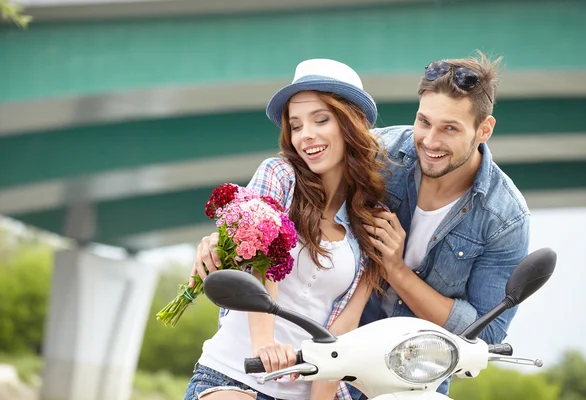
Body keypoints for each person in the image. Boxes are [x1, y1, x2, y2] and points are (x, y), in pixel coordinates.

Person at [194, 51, 531, 399]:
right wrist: (226, 237)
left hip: (403, 374)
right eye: (423, 122)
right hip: (262, 373)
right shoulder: (377, 153)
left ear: (484, 129)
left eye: (449, 128)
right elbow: (256, 245)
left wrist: (395, 269)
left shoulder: (502, 218)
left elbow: (486, 335)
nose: (429, 141)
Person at [183, 59, 391, 400]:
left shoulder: (371, 220)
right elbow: (257, 260)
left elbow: (339, 331)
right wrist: (265, 344)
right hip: (235, 375)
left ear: (351, 124)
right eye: (296, 125)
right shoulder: (280, 176)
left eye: (320, 119)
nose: (305, 135)